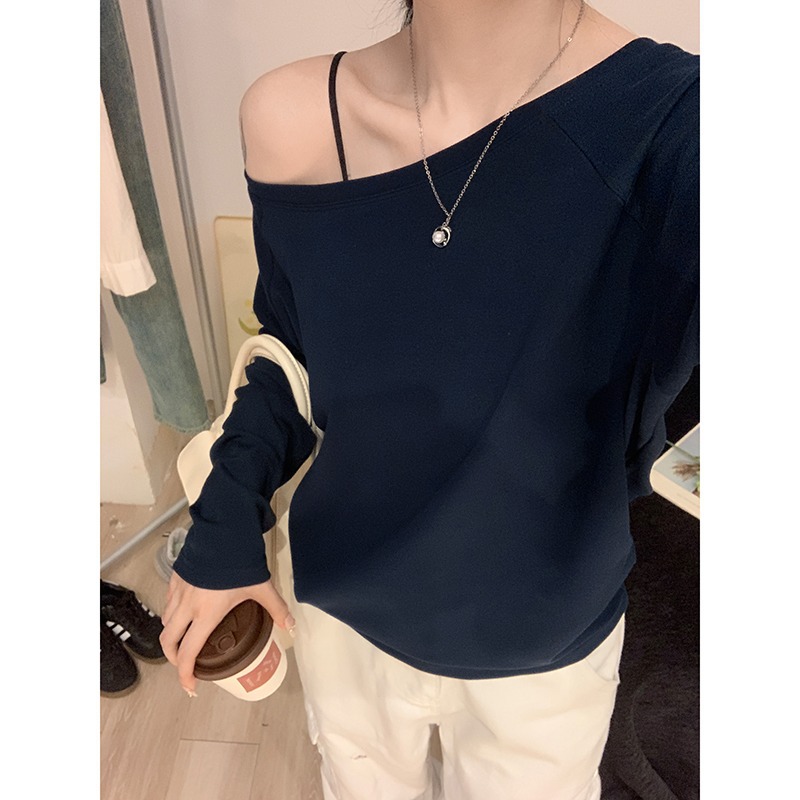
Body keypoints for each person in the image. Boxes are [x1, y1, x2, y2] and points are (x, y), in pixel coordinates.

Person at [160, 1, 699, 798]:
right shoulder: (294, 118)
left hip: (542, 642)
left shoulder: (682, 126)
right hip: (344, 612)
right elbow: (292, 347)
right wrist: (225, 519)